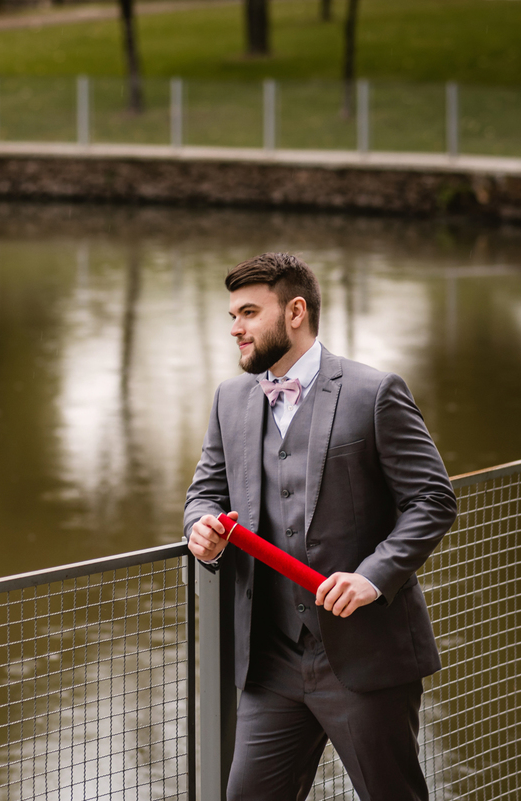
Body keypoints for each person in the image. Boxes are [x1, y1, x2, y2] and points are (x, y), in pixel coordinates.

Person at [184, 252, 457, 800]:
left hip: (365, 654)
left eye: (249, 313)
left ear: (295, 312)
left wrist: (372, 577)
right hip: (270, 659)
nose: (235, 328)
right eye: (233, 316)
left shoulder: (374, 392)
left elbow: (432, 499)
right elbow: (205, 492)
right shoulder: (230, 400)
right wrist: (202, 531)